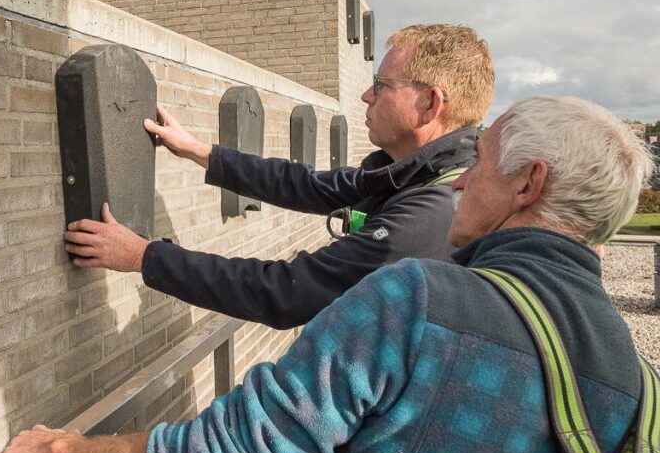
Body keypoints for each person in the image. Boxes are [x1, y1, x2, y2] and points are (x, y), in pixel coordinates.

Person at [0, 95, 655, 453]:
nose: (462, 185)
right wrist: (203, 152)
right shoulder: (638, 378)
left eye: (479, 165)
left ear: (528, 184)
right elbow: (318, 183)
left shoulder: (417, 300)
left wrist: (60, 450)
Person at [64, 24, 495, 328]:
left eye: (381, 85)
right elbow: (306, 184)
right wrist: (201, 152)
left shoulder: (431, 212)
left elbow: (288, 291)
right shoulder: (413, 174)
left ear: (430, 104)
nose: (366, 95)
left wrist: (144, 257)